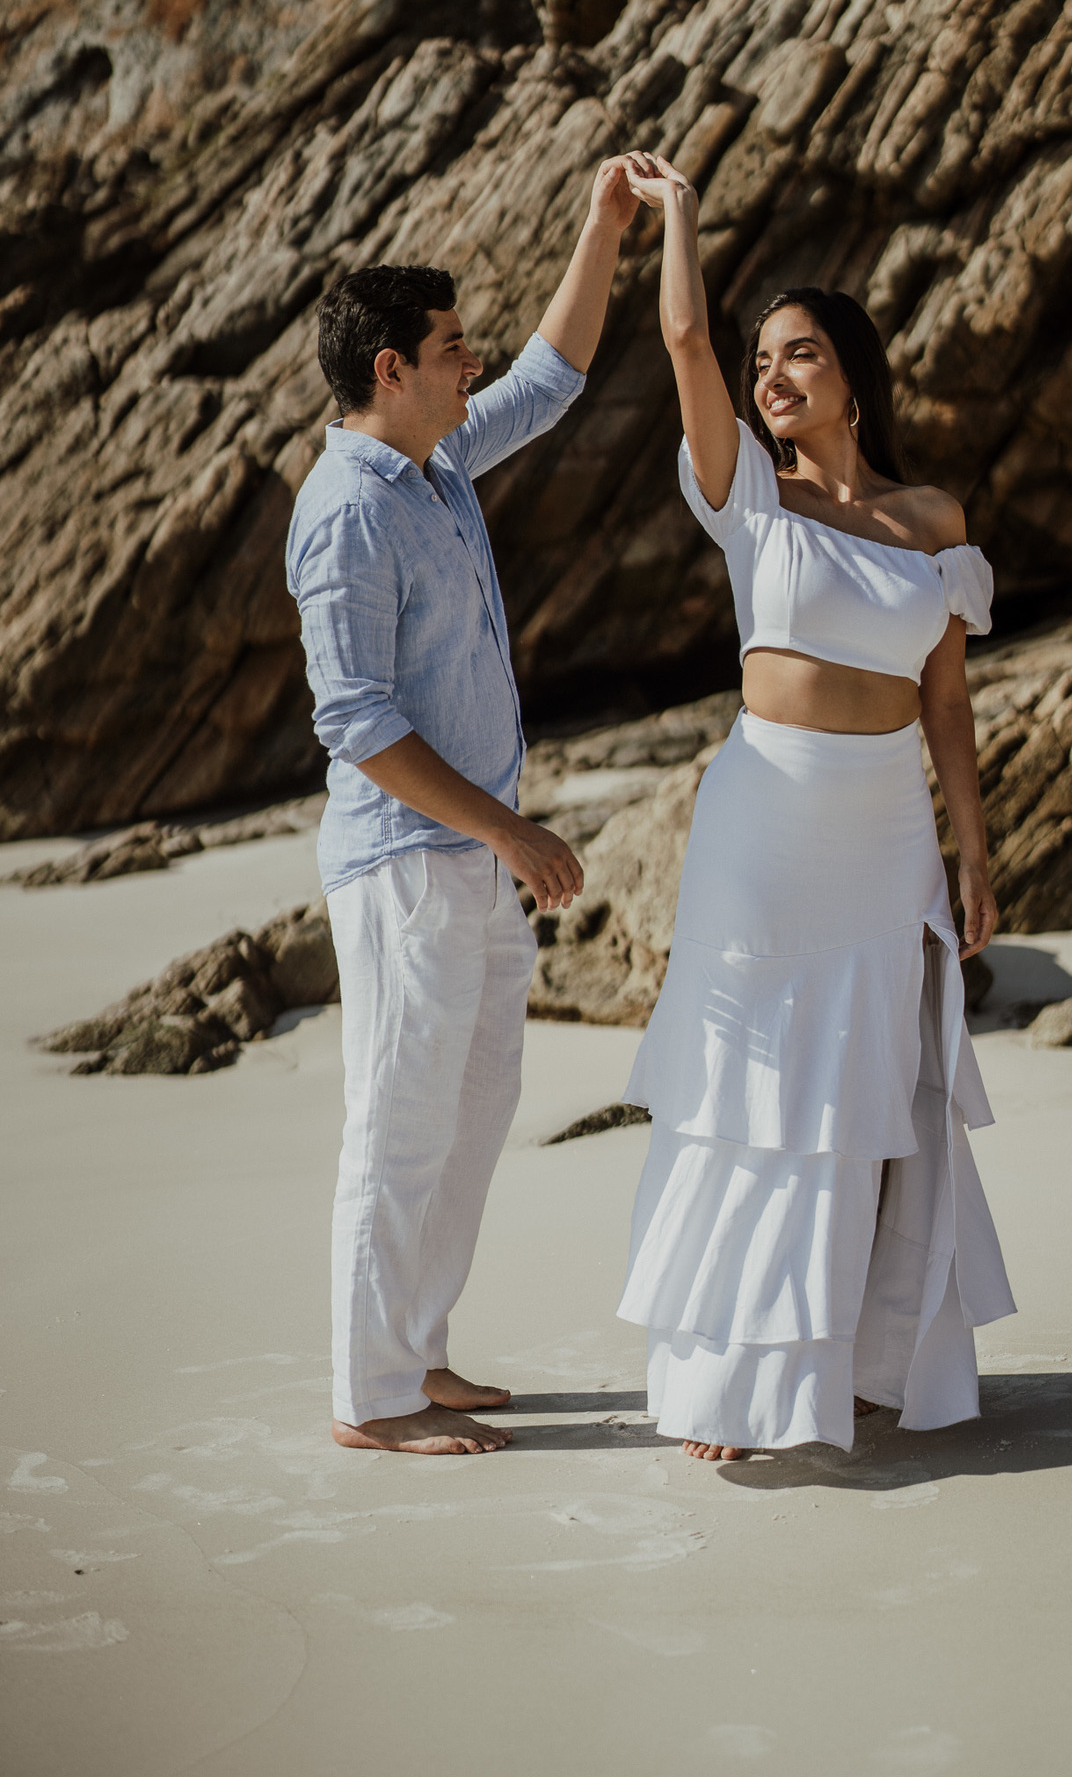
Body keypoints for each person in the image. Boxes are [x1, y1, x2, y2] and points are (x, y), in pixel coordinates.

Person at [616, 153, 1016, 1462]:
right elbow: (681, 331)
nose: (774, 377)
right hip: (765, 830)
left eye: (798, 354)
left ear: (850, 369)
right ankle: (725, 1382)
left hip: (887, 832)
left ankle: (835, 1360)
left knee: (859, 1102)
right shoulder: (749, 498)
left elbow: (948, 708)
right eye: (762, 363)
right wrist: (677, 212)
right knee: (748, 1092)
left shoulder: (931, 522)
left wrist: (974, 849)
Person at [286, 158, 643, 1456]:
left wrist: (601, 220)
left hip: (475, 860)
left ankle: (419, 1353)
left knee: (477, 1108)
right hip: (407, 864)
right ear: (392, 370)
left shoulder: (434, 465)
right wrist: (510, 829)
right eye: (450, 348)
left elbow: (547, 383)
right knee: (396, 1124)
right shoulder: (344, 517)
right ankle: (369, 1400)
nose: (469, 360)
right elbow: (358, 722)